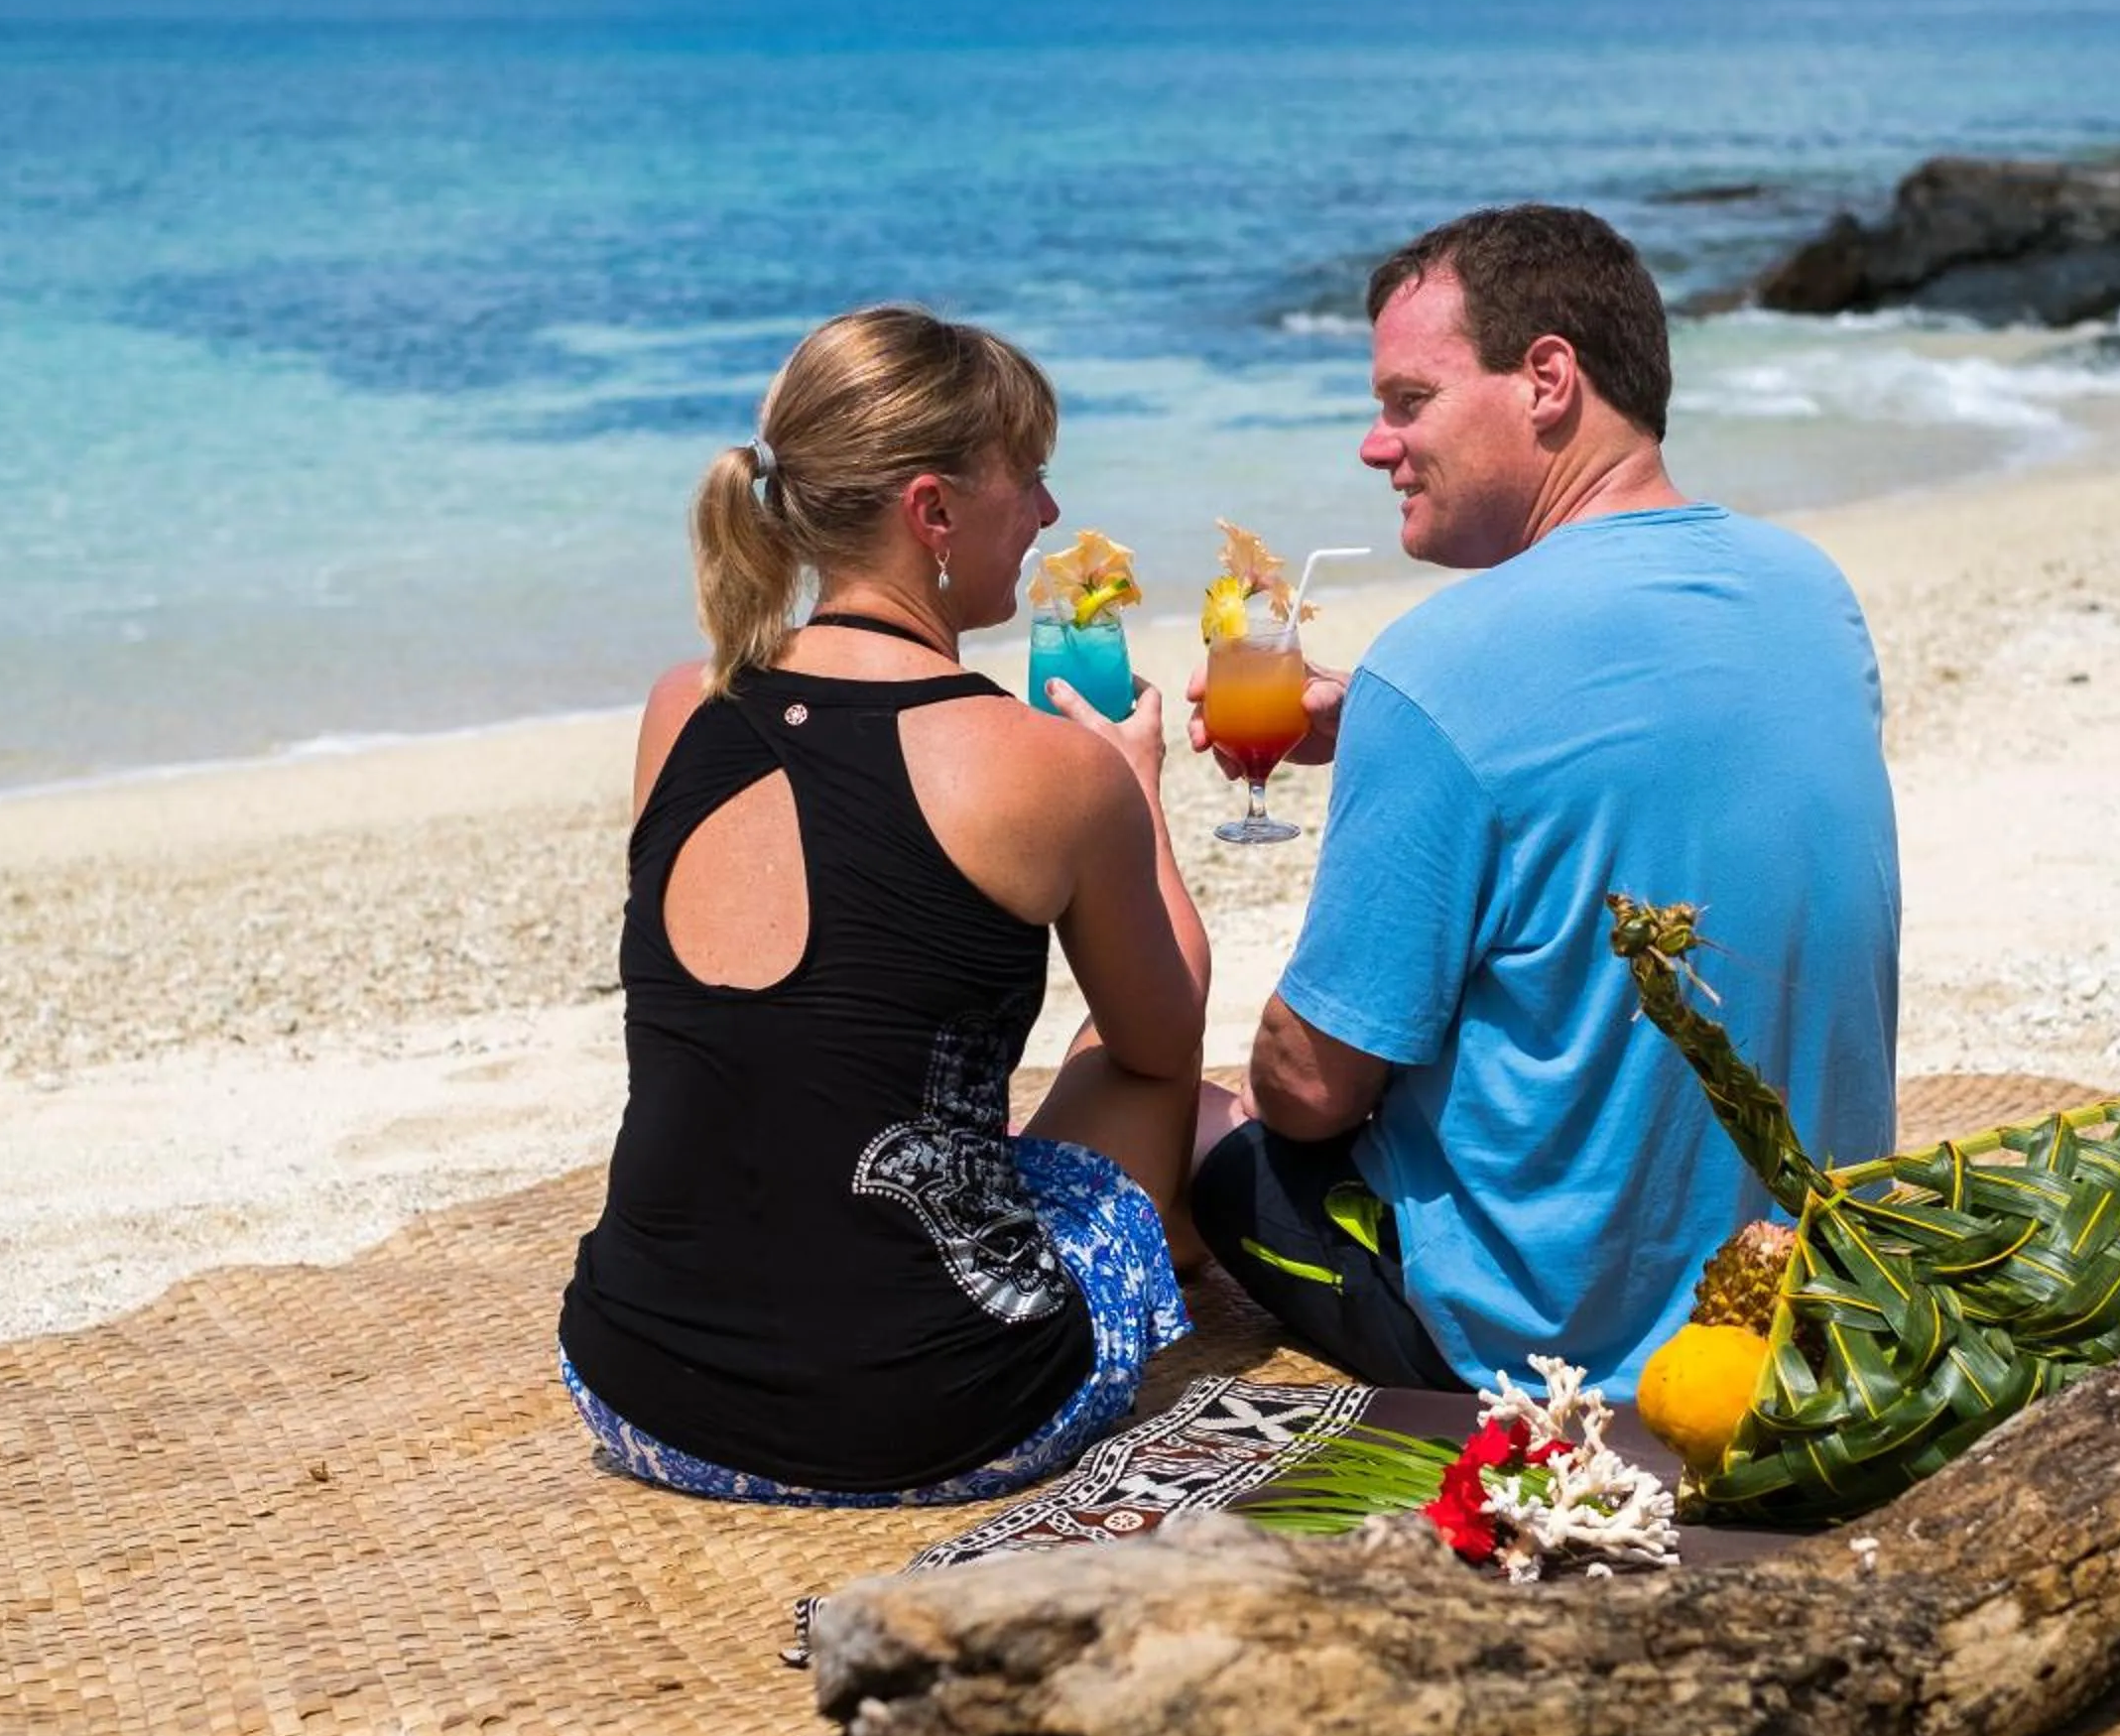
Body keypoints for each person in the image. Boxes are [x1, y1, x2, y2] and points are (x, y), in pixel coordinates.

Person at [1188, 204, 1901, 1401]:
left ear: (1547, 379)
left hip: (1557, 1346)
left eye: (1409, 400)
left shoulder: (1446, 663)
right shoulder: (1809, 592)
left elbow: (1309, 1094)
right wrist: (1385, 729)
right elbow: (1648, 753)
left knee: (1183, 1108)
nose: (1374, 444)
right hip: (1809, 1293)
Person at [559, 305, 1214, 1505]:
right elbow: (1165, 1037)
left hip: (637, 1388)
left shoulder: (682, 705)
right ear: (933, 511)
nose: (1049, 513)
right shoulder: (1048, 768)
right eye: (1030, 476)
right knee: (1132, 1068)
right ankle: (1163, 1244)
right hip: (944, 1415)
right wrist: (1137, 793)